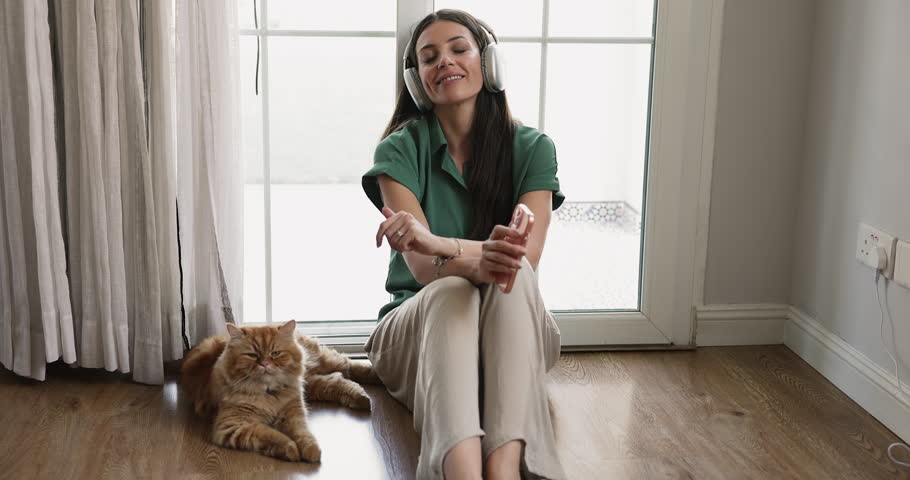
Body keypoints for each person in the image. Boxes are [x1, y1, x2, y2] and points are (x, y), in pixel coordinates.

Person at [361, 9, 566, 480]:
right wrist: (466, 259)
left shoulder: (534, 148)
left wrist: (441, 244)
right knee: (450, 290)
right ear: (418, 82)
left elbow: (522, 263)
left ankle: (505, 468)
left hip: (512, 329)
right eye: (428, 58)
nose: (444, 63)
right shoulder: (397, 150)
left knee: (511, 283)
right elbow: (421, 268)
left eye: (458, 49)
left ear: (487, 63)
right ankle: (461, 471)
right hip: (417, 332)